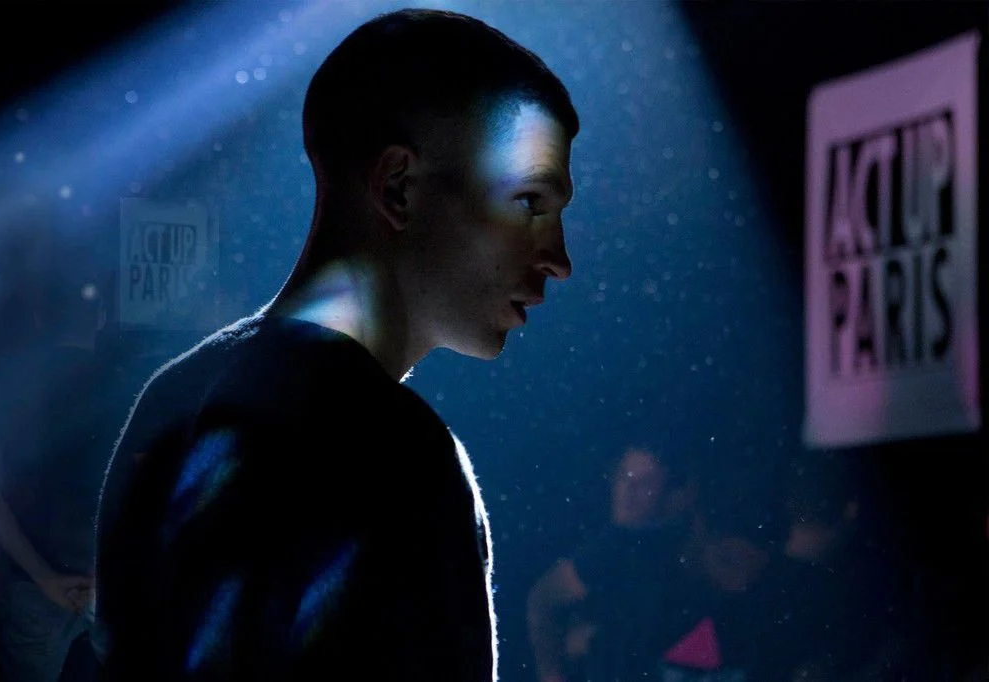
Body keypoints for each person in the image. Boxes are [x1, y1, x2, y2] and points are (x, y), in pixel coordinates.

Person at [95, 8, 577, 681]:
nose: (559, 259)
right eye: (529, 203)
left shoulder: (173, 396)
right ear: (399, 188)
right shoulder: (396, 454)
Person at [0, 269, 120, 682]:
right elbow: (144, 489)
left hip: (40, 583)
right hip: (105, 584)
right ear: (103, 315)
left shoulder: (7, 394)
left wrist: (44, 577)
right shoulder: (125, 386)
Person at [526, 446, 697, 682]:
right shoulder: (609, 548)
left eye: (645, 483)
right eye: (623, 477)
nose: (628, 491)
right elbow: (543, 599)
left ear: (677, 495)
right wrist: (552, 674)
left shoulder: (690, 549)